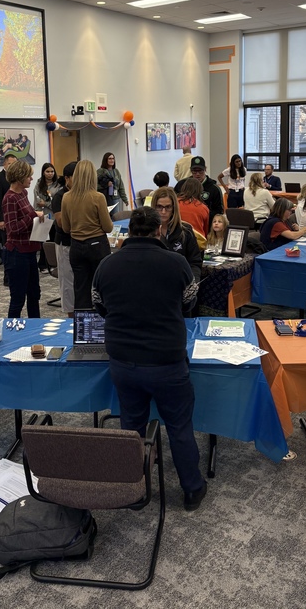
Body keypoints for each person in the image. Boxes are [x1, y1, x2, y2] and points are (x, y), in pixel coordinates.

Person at [92, 206, 206, 511]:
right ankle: (192, 490)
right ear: (159, 231)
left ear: (129, 231)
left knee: (131, 426)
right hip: (167, 360)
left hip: (123, 360)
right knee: (180, 427)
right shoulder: (177, 263)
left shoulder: (107, 265)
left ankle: (134, 491)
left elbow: (99, 306)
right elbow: (189, 303)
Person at [61, 159, 113, 310]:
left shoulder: (67, 197)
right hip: (97, 246)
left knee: (81, 289)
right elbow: (108, 227)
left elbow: (65, 227)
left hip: (76, 246)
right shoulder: (98, 197)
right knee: (102, 287)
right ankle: (103, 325)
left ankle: (82, 328)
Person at [2, 160, 44, 318]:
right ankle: (13, 333)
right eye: (29, 176)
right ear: (20, 177)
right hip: (17, 254)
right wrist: (33, 215)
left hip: (30, 250)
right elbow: (12, 228)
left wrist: (36, 218)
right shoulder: (10, 198)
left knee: (34, 294)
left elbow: (27, 218)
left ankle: (36, 329)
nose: (31, 179)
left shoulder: (23, 194)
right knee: (18, 299)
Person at [151, 187, 202, 282]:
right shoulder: (147, 231)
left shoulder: (185, 230)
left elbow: (195, 263)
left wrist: (193, 283)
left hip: (180, 283)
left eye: (168, 207)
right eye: (159, 207)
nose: (163, 212)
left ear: (174, 208)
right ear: (154, 207)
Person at [51, 161, 76, 317]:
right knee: (68, 284)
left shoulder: (85, 194)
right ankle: (71, 317)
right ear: (67, 178)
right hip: (65, 243)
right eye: (76, 177)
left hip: (81, 243)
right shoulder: (60, 196)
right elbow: (61, 223)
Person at [0, 152, 17, 285]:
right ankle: (7, 277)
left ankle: (15, 274)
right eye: (10, 164)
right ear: (4, 164)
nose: (13, 167)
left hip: (15, 220)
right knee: (8, 248)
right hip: (4, 220)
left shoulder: (16, 178)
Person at [174, 157, 223, 224]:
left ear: (205, 169)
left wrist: (202, 214)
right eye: (194, 171)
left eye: (200, 171)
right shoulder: (181, 185)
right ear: (190, 170)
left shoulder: (214, 188)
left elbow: (219, 211)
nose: (197, 174)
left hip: (207, 224)